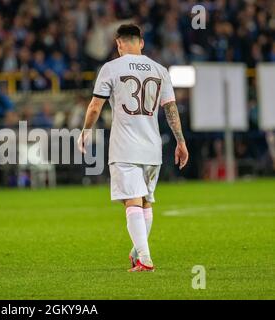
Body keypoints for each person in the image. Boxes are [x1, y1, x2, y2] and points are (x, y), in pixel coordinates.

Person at [78, 24, 189, 272]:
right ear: (141, 43)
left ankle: (145, 259)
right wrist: (180, 141)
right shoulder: (160, 70)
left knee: (132, 202)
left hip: (125, 147)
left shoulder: (110, 68)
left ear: (118, 44)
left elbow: (95, 107)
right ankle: (137, 251)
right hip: (152, 148)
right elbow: (170, 109)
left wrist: (85, 130)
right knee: (144, 203)